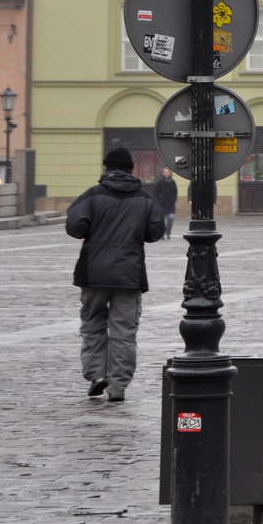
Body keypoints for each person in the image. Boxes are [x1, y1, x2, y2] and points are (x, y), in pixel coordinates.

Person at [66, 147, 165, 402]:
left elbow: (75, 227)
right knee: (124, 332)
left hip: (93, 272)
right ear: (131, 170)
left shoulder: (91, 196)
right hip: (129, 274)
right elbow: (155, 232)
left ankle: (96, 374)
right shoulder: (145, 199)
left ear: (105, 168)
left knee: (92, 325)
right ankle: (118, 386)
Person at [152, 167, 179, 239]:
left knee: (171, 218)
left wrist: (173, 200)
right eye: (165, 172)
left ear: (170, 173)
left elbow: (175, 193)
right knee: (162, 220)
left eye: (167, 172)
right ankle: (162, 233)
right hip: (162, 205)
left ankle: (168, 232)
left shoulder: (173, 182)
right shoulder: (159, 182)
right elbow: (156, 193)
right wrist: (158, 201)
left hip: (170, 205)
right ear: (163, 173)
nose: (166, 173)